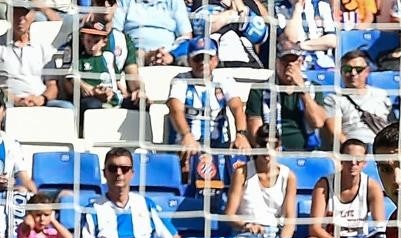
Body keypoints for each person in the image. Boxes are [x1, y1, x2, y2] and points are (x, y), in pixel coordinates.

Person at [78, 148, 186, 238]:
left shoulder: (146, 205)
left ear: (132, 173)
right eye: (113, 168)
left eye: (124, 168)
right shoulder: (93, 210)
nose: (118, 173)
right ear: (104, 173)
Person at [307, 137, 385, 238]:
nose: (353, 163)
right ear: (341, 159)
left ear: (365, 162)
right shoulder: (323, 185)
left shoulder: (372, 187)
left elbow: (379, 227)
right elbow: (314, 228)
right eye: (349, 158)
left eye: (358, 159)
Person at [167, 37, 251, 166]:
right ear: (189, 61)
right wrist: (186, 135)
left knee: (241, 161)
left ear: (215, 60)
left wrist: (241, 134)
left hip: (219, 146)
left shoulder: (224, 80)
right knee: (187, 158)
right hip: (188, 144)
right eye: (198, 58)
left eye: (207, 58)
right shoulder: (180, 80)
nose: (203, 63)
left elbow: (237, 107)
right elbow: (175, 109)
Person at [226, 124, 298, 238]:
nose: (267, 150)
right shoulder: (242, 173)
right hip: (246, 233)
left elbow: (290, 220)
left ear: (278, 147)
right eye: (263, 145)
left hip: (274, 233)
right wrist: (247, 225)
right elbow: (229, 215)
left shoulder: (288, 176)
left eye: (272, 145)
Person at [0, 4, 69, 109]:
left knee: (67, 108)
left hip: (39, 101)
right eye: (16, 14)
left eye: (25, 14)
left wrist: (42, 99)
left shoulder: (44, 48)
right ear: (9, 16)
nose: (21, 19)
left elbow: (52, 85)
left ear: (33, 16)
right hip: (4, 102)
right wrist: (11, 99)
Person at [245, 41, 328, 153]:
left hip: (308, 152)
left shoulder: (313, 88)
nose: (289, 66)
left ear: (300, 62)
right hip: (272, 153)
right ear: (276, 62)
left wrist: (302, 89)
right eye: (285, 61)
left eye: (293, 61)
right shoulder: (259, 89)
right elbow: (255, 133)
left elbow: (318, 122)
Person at [54, 15, 140, 112]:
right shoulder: (80, 59)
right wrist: (92, 91)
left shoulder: (109, 57)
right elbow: (73, 78)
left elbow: (117, 78)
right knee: (92, 105)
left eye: (96, 41)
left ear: (104, 42)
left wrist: (124, 93)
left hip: (111, 94)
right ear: (83, 40)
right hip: (91, 97)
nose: (92, 46)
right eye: (89, 41)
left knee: (138, 103)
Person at [322, 48, 393, 147]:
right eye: (347, 69)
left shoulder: (381, 95)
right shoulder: (333, 99)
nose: (353, 73)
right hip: (351, 150)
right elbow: (335, 133)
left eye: (358, 69)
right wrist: (353, 150)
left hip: (381, 149)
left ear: (367, 71)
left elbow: (392, 127)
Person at [113, 0, 190, 65]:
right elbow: (115, 33)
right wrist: (143, 55)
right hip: (134, 55)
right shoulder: (124, 1)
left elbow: (186, 37)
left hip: (169, 55)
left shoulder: (175, 2)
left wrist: (172, 55)